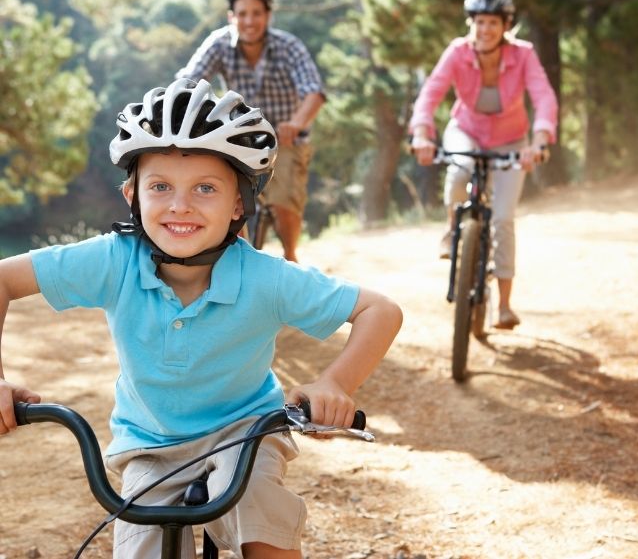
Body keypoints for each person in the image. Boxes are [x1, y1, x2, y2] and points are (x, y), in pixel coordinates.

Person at [0, 78, 403, 558]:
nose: (180, 205)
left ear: (238, 203)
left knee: (261, 518)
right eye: (160, 186)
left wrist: (335, 383)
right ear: (133, 196)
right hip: (149, 444)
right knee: (141, 546)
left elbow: (380, 310)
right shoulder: (114, 260)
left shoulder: (264, 276)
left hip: (244, 432)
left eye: (205, 188)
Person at [409, 0, 557, 330]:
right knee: (459, 175)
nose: (485, 29)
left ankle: (504, 305)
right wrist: (420, 133)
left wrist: (539, 140)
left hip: (511, 141)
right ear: (470, 23)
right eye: (478, 21)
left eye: (492, 22)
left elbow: (544, 97)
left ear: (506, 25)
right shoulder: (457, 52)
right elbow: (431, 92)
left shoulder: (523, 54)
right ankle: (451, 230)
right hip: (467, 131)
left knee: (503, 218)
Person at [176, 0, 325, 263]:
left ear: (268, 15)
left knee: (284, 203)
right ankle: (241, 260)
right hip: (239, 139)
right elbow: (188, 81)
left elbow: (314, 93)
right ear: (232, 17)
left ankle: (290, 256)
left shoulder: (288, 46)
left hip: (285, 138)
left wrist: (296, 124)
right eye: (242, 14)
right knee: (230, 201)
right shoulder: (219, 43)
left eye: (256, 13)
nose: (249, 21)